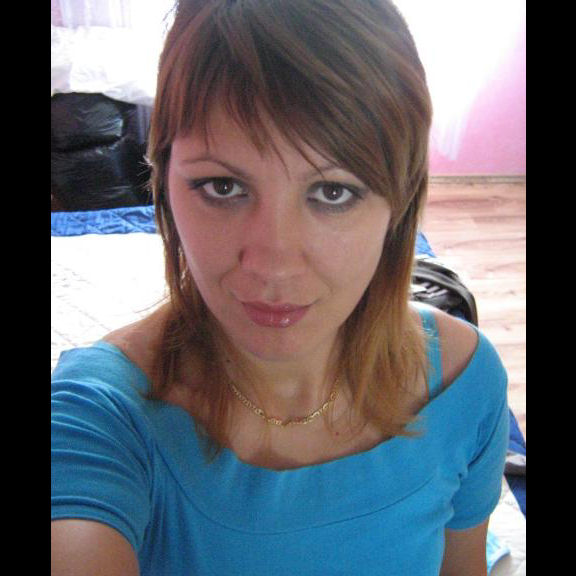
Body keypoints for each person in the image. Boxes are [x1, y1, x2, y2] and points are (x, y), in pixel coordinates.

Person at [51, 1, 509, 574]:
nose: (273, 266)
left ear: (399, 202)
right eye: (222, 186)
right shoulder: (99, 419)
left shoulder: (462, 383)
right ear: (163, 181)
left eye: (333, 192)